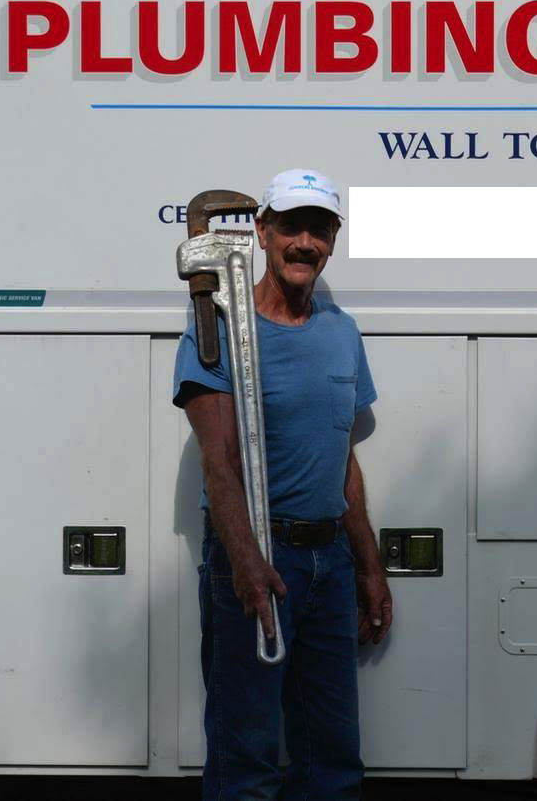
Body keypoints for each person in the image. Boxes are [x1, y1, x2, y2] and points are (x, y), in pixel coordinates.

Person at [173, 168, 393, 801]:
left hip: (329, 565)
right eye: (291, 227)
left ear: (332, 241)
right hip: (258, 559)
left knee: (332, 756)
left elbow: (343, 459)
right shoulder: (215, 331)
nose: (305, 242)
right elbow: (219, 461)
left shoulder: (341, 332)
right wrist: (246, 561)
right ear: (262, 234)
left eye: (319, 229)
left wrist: (368, 567)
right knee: (247, 757)